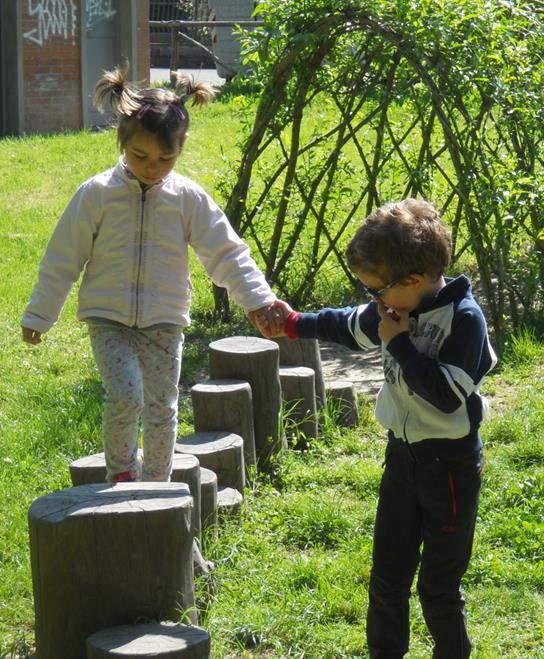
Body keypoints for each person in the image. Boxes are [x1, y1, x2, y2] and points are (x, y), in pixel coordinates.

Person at [262, 199, 497, 658]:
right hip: (402, 459)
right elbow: (347, 325)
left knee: (437, 588)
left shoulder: (465, 321)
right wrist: (292, 324)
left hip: (449, 469)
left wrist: (402, 345)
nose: (372, 301)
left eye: (376, 290)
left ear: (411, 280)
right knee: (387, 578)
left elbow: (446, 395)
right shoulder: (395, 307)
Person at [21, 66, 277, 483]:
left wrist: (259, 300)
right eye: (141, 156)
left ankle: (158, 484)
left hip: (165, 321)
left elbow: (227, 253)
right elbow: (62, 259)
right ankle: (122, 473)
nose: (152, 167)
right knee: (125, 395)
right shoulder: (96, 194)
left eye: (165, 158)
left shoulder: (187, 199)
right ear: (122, 141)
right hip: (109, 322)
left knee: (162, 406)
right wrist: (38, 316)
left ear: (181, 149)